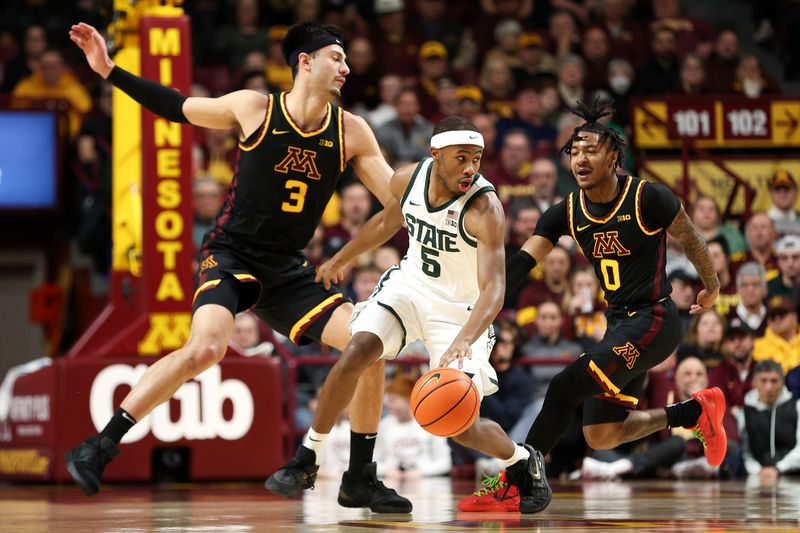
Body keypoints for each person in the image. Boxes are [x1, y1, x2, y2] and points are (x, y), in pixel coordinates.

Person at [64, 21, 409, 512]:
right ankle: (100, 444)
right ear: (305, 62)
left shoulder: (351, 130)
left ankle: (359, 476)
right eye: (336, 57)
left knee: (368, 345)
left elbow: (394, 200)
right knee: (205, 349)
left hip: (289, 269)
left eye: (347, 59)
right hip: (231, 254)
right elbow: (176, 107)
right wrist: (109, 70)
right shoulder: (254, 108)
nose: (346, 67)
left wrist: (440, 194)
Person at [266, 116, 536, 512]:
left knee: (457, 423)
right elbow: (385, 222)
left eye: (476, 159)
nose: (470, 169)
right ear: (435, 154)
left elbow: (495, 288)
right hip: (410, 287)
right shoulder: (408, 178)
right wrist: (342, 256)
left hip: (460, 312)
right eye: (461, 158)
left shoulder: (485, 208)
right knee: (359, 349)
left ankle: (522, 461)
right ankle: (307, 457)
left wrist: (465, 338)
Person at [503, 99, 727, 513]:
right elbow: (522, 262)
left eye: (591, 150)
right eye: (575, 152)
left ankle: (519, 479)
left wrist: (711, 286)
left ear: (613, 157)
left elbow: (692, 237)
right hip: (619, 325)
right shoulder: (567, 211)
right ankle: (694, 412)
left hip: (656, 320)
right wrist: (490, 301)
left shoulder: (648, 197)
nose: (581, 158)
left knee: (565, 385)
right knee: (602, 435)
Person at [737, 360, 800, 483]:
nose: (769, 387)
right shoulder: (744, 412)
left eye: (774, 381)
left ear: (782, 383)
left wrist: (778, 469)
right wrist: (757, 471)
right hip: (757, 477)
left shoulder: (797, 406)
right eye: (763, 380)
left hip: (794, 477)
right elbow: (745, 452)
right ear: (754, 383)